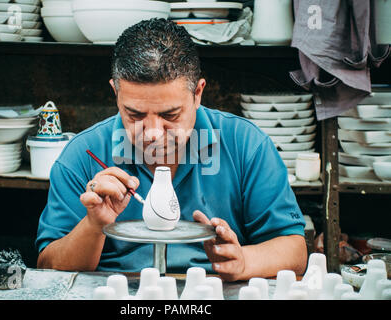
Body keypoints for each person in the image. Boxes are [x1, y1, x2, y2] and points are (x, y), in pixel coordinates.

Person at [36, 18, 307, 282]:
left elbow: (295, 251)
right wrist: (94, 226)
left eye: (171, 115)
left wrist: (244, 262)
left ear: (198, 92)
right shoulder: (83, 154)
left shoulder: (246, 145)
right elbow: (48, 264)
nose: (153, 133)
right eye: (135, 114)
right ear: (115, 92)